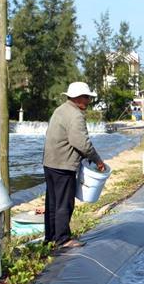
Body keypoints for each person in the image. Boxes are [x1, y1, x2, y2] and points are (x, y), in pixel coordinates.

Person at [43, 82, 105, 248]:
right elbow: (82, 143)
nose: (89, 100)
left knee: (52, 203)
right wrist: (98, 160)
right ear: (77, 98)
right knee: (64, 203)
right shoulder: (76, 115)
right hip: (63, 165)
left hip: (49, 163)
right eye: (87, 97)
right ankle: (63, 239)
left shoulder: (60, 110)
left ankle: (50, 238)